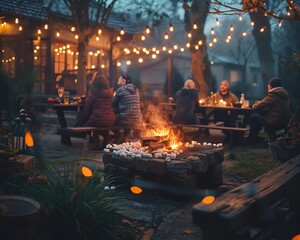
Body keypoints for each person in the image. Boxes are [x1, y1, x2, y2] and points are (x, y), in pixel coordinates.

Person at [248, 77, 291, 142]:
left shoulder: (273, 94)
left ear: (271, 86)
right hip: (284, 121)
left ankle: (252, 138)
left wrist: (255, 104)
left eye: (268, 86)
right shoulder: (283, 94)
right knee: (260, 117)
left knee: (254, 119)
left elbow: (256, 106)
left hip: (275, 122)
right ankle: (255, 137)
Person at [79, 75, 116, 148]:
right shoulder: (110, 93)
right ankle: (105, 142)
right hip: (111, 119)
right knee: (102, 126)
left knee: (85, 127)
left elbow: (87, 108)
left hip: (97, 119)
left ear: (94, 83)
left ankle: (96, 140)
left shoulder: (93, 93)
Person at [112, 73, 142, 142]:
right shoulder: (136, 90)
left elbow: (112, 103)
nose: (117, 82)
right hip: (136, 119)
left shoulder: (120, 90)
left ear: (123, 81)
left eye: (119, 80)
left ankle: (119, 137)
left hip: (125, 119)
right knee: (127, 116)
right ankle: (124, 138)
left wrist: (114, 95)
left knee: (109, 121)